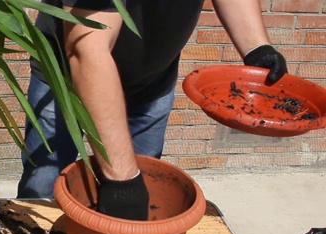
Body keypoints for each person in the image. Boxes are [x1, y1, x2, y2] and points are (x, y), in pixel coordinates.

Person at [17, 0, 287, 220]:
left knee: (142, 194)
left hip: (151, 82)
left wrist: (257, 48)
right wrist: (122, 182)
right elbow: (86, 49)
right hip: (66, 82)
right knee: (42, 194)